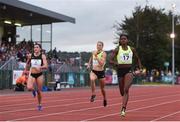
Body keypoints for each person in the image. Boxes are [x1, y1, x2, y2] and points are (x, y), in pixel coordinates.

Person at [110, 33, 142, 116]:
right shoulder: (117, 49)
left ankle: (123, 109)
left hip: (128, 70)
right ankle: (123, 103)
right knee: (122, 92)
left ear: (127, 40)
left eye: (125, 39)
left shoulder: (132, 49)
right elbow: (110, 60)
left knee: (126, 89)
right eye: (122, 39)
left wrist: (140, 68)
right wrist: (115, 63)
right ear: (120, 41)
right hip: (120, 71)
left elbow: (137, 58)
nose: (123, 40)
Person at [25, 43, 48, 111]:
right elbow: (27, 63)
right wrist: (25, 70)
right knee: (29, 87)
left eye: (37, 47)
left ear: (40, 49)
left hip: (39, 74)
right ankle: (33, 91)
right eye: (34, 47)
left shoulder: (42, 56)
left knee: (39, 91)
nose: (35, 48)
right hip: (31, 73)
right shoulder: (30, 55)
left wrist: (40, 67)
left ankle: (39, 104)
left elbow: (46, 66)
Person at [87, 41, 107, 107]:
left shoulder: (103, 54)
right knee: (92, 79)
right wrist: (89, 64)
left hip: (101, 72)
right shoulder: (93, 52)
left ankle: (104, 98)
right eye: (97, 45)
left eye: (100, 45)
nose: (98, 46)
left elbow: (101, 64)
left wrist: (96, 56)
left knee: (102, 89)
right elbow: (91, 58)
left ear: (102, 46)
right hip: (94, 71)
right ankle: (93, 94)